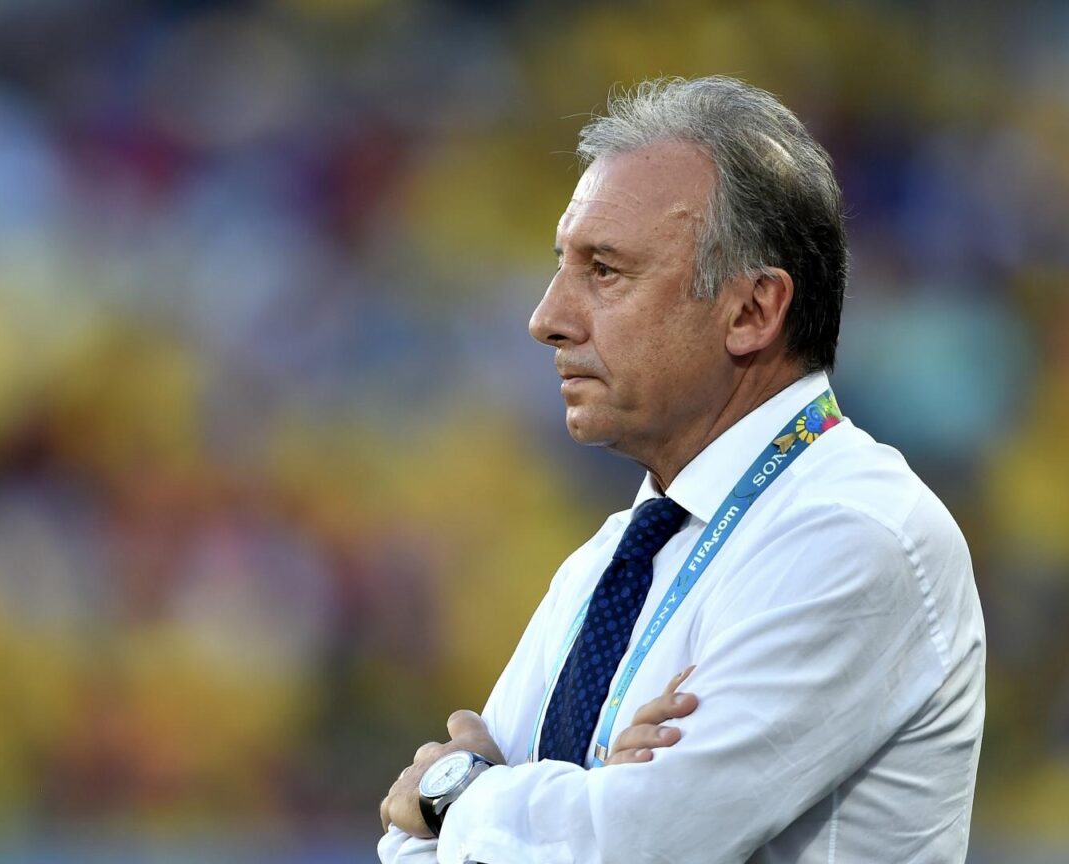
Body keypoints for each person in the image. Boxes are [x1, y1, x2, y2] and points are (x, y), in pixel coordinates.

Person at [377, 76, 985, 863]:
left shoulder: (853, 536)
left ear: (751, 311)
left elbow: (638, 843)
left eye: (605, 271)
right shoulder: (609, 560)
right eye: (563, 266)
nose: (546, 318)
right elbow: (412, 849)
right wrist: (570, 803)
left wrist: (459, 794)